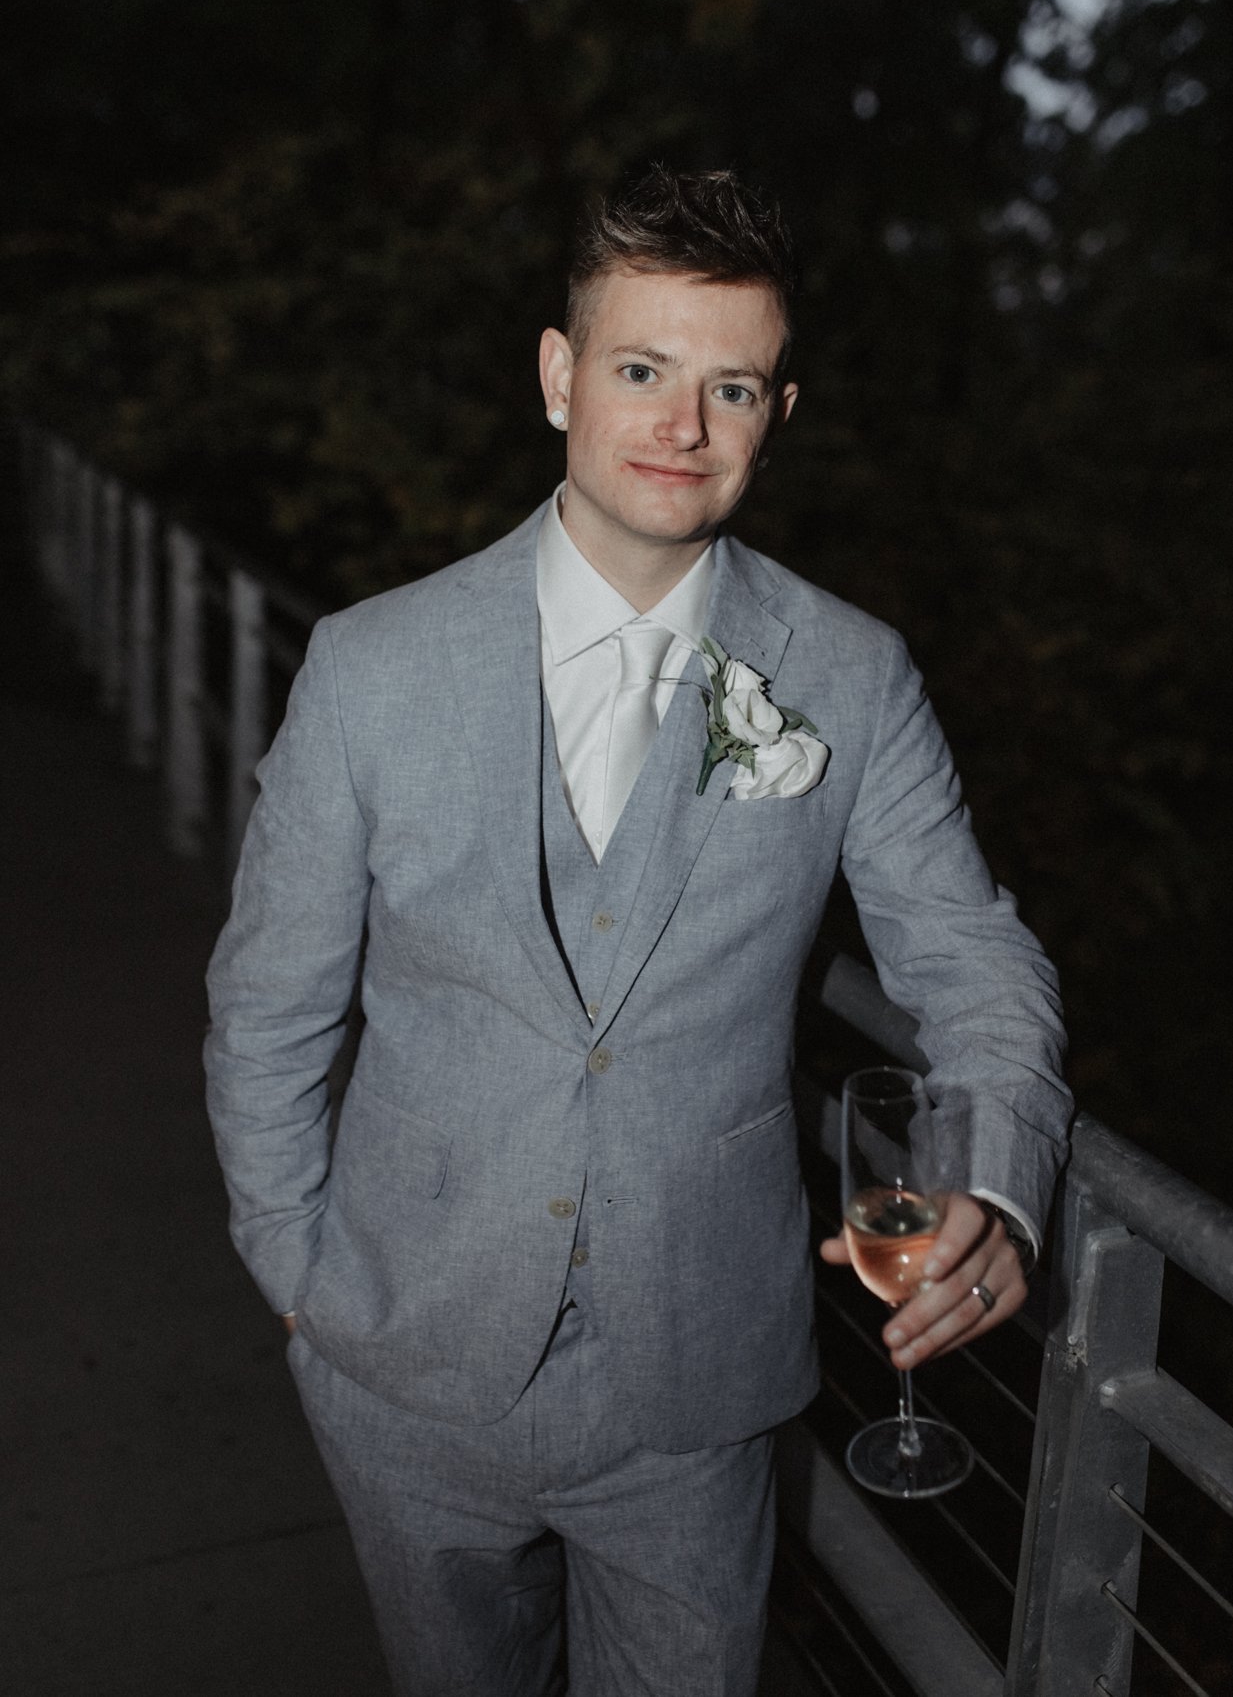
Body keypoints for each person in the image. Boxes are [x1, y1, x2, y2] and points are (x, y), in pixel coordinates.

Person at [205, 167, 1069, 1697]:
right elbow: (268, 1006)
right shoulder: (369, 666)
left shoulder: (850, 675)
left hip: (697, 1383)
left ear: (775, 413)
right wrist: (299, 1277)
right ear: (559, 376)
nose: (681, 425)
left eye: (728, 387)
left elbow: (970, 955)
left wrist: (992, 1179)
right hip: (403, 1358)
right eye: (641, 370)